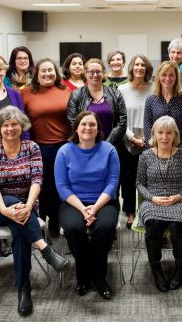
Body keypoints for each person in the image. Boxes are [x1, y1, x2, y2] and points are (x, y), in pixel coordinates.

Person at [0, 106, 68, 316]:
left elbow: (37, 180)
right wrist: (6, 210)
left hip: (27, 205)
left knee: (19, 227)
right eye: (6, 125)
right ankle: (44, 248)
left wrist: (27, 206)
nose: (10, 128)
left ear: (22, 126)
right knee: (12, 204)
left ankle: (23, 287)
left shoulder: (32, 147)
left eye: (14, 124)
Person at [55, 111, 120, 300]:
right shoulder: (64, 151)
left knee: (105, 228)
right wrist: (83, 209)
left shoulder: (109, 150)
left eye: (92, 125)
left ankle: (99, 278)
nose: (88, 128)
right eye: (83, 124)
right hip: (73, 203)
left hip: (104, 201)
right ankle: (83, 275)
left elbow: (112, 182)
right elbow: (62, 186)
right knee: (74, 228)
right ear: (76, 128)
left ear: (98, 129)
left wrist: (95, 207)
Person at [136, 116, 182, 293]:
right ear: (154, 134)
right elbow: (139, 184)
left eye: (169, 133)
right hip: (152, 200)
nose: (164, 137)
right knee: (153, 226)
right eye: (160, 132)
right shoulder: (145, 156)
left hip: (179, 200)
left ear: (174, 134)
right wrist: (152, 198)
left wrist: (177, 197)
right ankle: (156, 270)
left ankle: (180, 268)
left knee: (178, 228)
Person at [21, 58, 72, 236]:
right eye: (43, 71)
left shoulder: (66, 90)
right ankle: (40, 223)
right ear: (37, 74)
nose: (47, 74)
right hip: (37, 148)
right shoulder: (26, 93)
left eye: (50, 70)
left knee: (59, 185)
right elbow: (21, 121)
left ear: (56, 72)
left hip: (64, 146)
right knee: (40, 187)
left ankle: (56, 222)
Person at [118, 54, 154, 229]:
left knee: (149, 178)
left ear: (147, 68)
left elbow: (157, 114)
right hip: (128, 140)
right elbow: (120, 118)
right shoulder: (122, 90)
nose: (139, 67)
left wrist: (147, 137)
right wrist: (132, 137)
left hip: (150, 140)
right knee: (128, 179)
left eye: (143, 65)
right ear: (131, 67)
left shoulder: (154, 88)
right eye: (136, 64)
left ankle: (148, 211)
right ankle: (131, 211)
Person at [67, 58, 127, 148]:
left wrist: (107, 145)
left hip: (112, 146)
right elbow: (72, 122)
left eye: (98, 72)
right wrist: (89, 142)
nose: (95, 75)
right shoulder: (76, 95)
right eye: (91, 72)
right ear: (85, 73)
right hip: (85, 146)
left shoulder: (115, 93)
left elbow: (122, 122)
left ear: (103, 74)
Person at [143, 61, 182, 151]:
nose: (167, 78)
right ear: (158, 77)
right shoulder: (151, 99)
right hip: (156, 151)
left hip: (180, 151)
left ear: (176, 77)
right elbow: (147, 128)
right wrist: (153, 150)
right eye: (164, 75)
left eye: (171, 75)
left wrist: (180, 151)